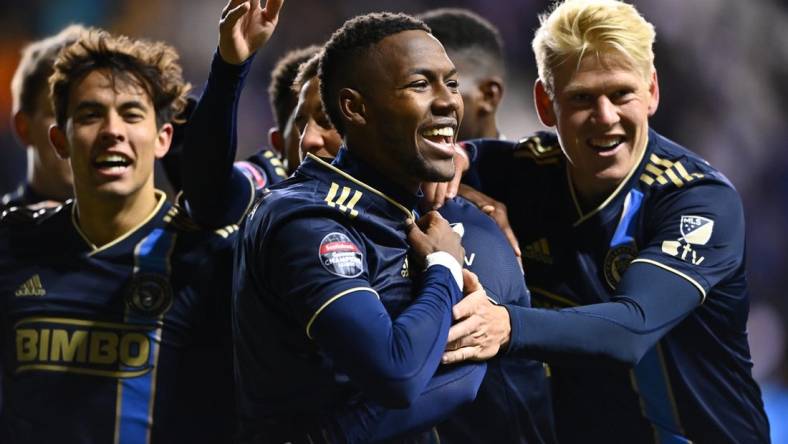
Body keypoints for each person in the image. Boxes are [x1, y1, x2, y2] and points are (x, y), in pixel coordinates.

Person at [442, 0, 771, 442]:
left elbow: (630, 329)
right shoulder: (524, 172)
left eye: (621, 93)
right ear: (545, 102)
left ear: (651, 92)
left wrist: (507, 325)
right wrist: (455, 182)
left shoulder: (695, 200)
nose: (605, 117)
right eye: (581, 97)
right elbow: (442, 162)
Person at [184, 1, 488, 441]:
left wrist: (499, 328)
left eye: (452, 83)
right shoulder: (307, 219)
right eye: (421, 83)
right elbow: (399, 375)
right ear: (355, 109)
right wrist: (444, 270)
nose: (447, 100)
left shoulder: (414, 211)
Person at [0, 28, 237, 443]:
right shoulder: (14, 247)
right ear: (59, 140)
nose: (112, 129)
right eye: (90, 115)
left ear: (163, 139)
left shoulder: (212, 259)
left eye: (131, 114)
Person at [3, 25, 86, 210]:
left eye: (90, 115)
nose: (77, 132)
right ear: (23, 127)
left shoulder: (155, 233)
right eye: (59, 115)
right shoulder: (6, 231)